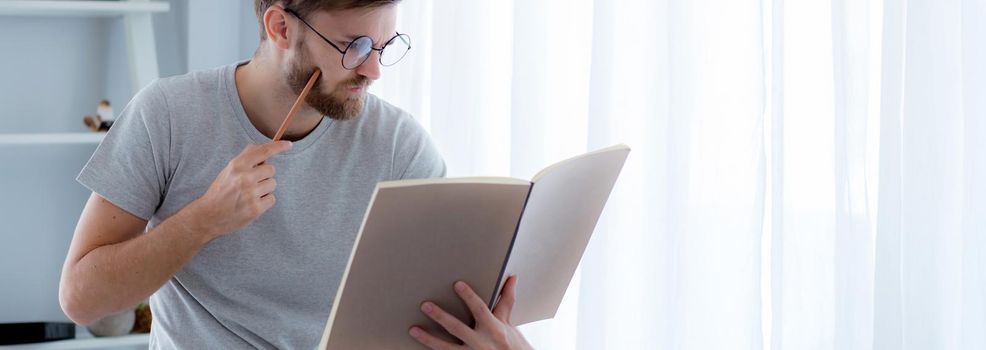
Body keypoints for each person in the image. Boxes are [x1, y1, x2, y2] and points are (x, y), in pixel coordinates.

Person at [58, 1, 533, 348]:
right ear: (281, 27)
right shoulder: (166, 115)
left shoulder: (399, 146)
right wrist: (204, 219)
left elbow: (429, 311)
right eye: (355, 46)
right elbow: (81, 300)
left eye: (385, 46)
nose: (373, 71)